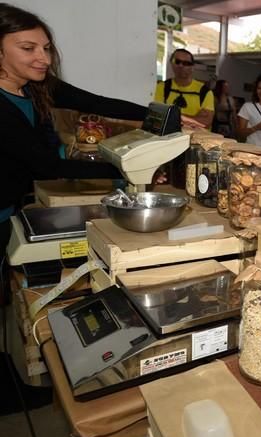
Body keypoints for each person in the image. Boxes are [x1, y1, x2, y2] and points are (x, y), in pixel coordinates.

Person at [0, 3, 151, 256]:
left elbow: (95, 103)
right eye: (28, 48)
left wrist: (159, 115)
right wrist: (127, 170)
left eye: (46, 49)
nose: (45, 59)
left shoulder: (34, 86)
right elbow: (49, 166)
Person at [154, 49, 214, 128]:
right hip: (168, 138)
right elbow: (157, 117)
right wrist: (194, 118)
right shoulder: (162, 87)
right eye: (177, 61)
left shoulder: (204, 91)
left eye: (186, 63)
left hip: (196, 139)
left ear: (193, 67)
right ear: (172, 63)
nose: (181, 66)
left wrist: (171, 116)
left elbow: (205, 122)